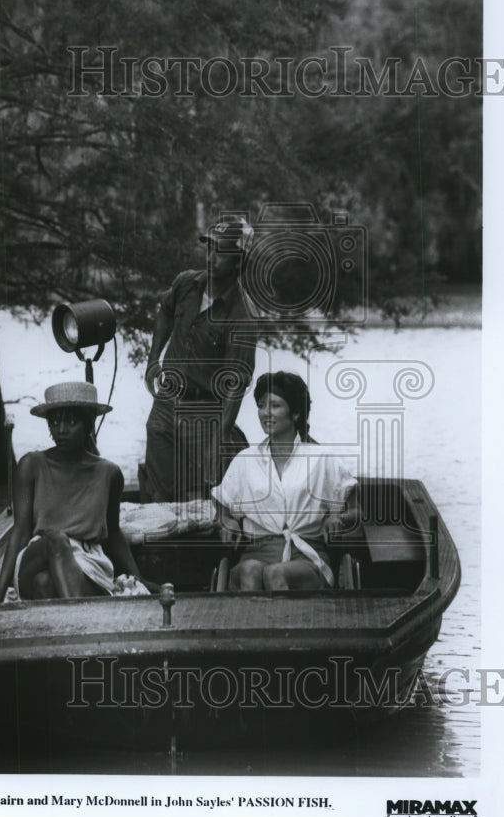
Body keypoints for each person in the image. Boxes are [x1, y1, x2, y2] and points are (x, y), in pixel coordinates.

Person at [0, 381, 155, 601]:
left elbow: (113, 533)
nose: (61, 430)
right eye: (55, 421)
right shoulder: (31, 465)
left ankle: (70, 612)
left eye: (71, 421)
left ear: (88, 425)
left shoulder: (109, 474)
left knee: (45, 584)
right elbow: (20, 532)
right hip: (38, 554)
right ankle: (78, 614)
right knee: (55, 539)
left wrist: (138, 578)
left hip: (88, 562)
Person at [143, 215, 257, 503]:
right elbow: (166, 311)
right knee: (160, 489)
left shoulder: (242, 316)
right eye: (210, 248)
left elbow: (235, 385)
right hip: (167, 400)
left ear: (238, 261)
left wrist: (218, 438)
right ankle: (161, 542)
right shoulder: (185, 283)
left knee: (201, 495)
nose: (212, 257)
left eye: (222, 251)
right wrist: (153, 359)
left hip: (204, 410)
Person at [211, 371, 359, 592]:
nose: (265, 413)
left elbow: (356, 511)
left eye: (275, 406)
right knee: (251, 570)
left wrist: (337, 517)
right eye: (261, 406)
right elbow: (222, 512)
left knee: (276, 573)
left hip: (307, 556)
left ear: (296, 413)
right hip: (256, 552)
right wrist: (228, 522)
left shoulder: (321, 458)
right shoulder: (245, 460)